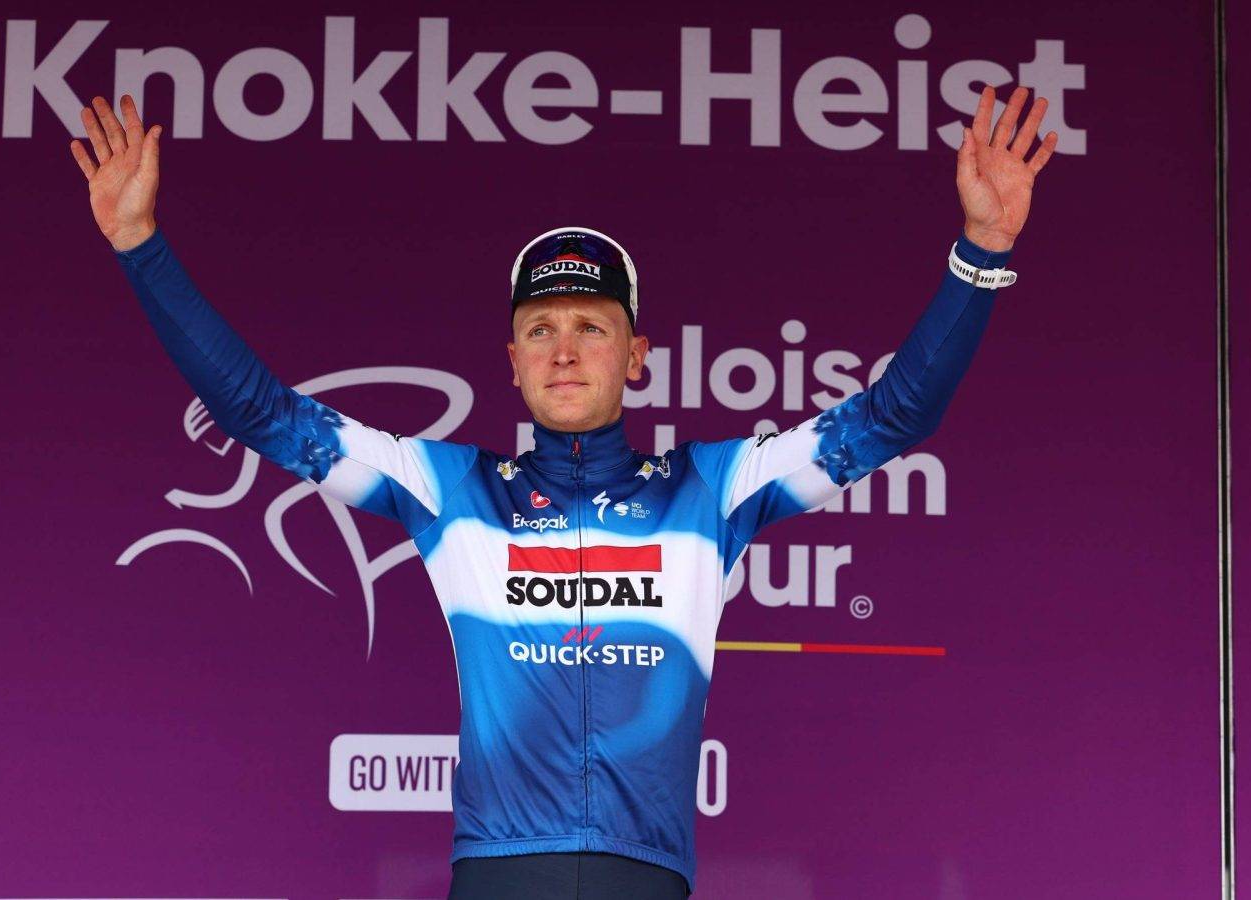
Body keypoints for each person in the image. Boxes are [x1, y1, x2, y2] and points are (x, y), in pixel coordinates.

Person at [69, 84, 1057, 898]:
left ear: (637, 355)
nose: (565, 348)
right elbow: (260, 411)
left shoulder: (711, 487)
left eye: (591, 324)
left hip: (648, 877)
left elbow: (892, 417)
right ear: (510, 361)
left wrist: (981, 251)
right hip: (500, 875)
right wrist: (139, 244)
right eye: (540, 329)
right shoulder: (447, 487)